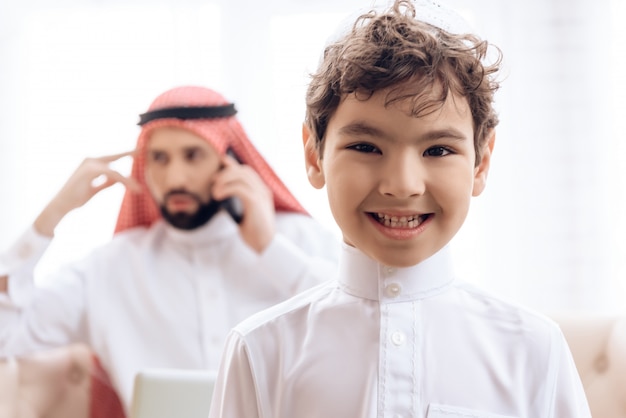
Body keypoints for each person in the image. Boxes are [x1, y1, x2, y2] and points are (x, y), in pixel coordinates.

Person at [207, 1, 592, 417]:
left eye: (438, 149)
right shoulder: (261, 348)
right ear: (314, 155)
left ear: (481, 162)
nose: (402, 185)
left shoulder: (533, 348)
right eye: (366, 147)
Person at [0, 85, 340, 414]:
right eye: (159, 158)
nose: (175, 178)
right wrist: (49, 218)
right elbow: (8, 337)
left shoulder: (299, 241)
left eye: (193, 155)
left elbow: (355, 324)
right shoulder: (112, 267)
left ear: (230, 159)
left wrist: (270, 250)